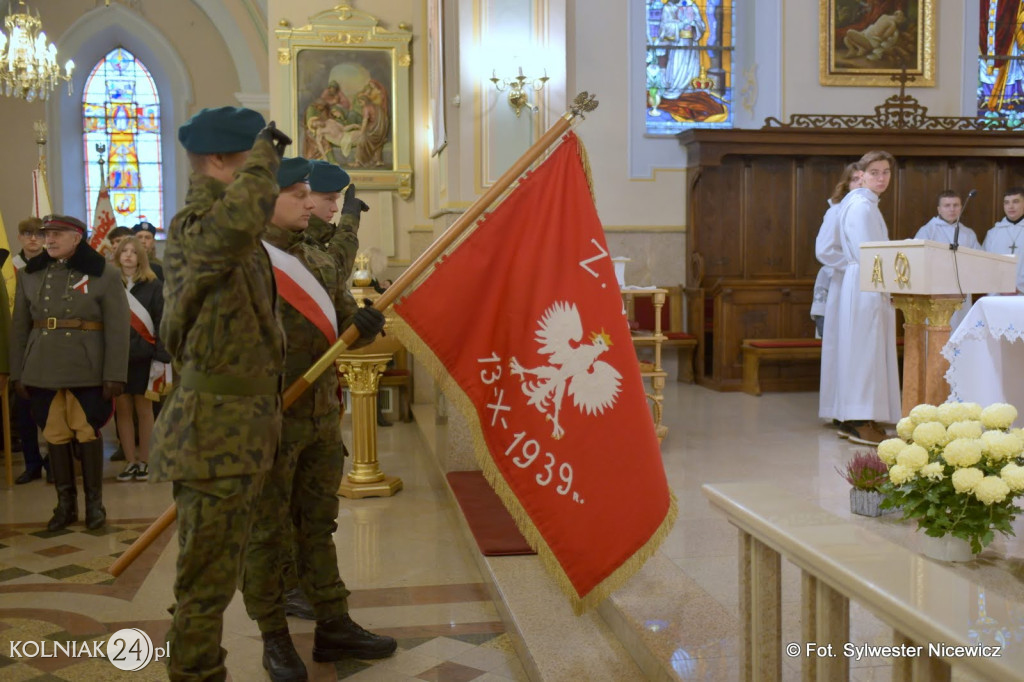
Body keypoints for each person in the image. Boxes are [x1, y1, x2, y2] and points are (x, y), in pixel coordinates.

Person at [148, 106, 290, 681]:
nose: (265, 177)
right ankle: (195, 672)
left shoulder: (234, 238)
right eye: (251, 163)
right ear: (219, 162)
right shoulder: (194, 229)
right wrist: (267, 154)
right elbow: (238, 222)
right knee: (204, 586)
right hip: (211, 440)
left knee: (217, 577)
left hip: (245, 435)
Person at [240, 158, 391, 681]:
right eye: (298, 194)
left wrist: (365, 325)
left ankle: (332, 623)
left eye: (311, 194)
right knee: (267, 534)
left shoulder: (317, 261)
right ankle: (274, 637)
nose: (311, 204)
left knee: (317, 528)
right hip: (266, 425)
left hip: (320, 420)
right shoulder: (239, 262)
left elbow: (344, 319)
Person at [9, 214, 129, 530]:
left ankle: (94, 506)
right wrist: (17, 371)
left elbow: (117, 329)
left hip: (86, 366)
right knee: (54, 433)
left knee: (86, 430)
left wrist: (115, 372)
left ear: (76, 237)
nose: (48, 239)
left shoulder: (105, 274)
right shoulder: (29, 275)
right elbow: (19, 327)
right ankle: (65, 507)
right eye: (45, 234)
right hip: (42, 366)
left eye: (56, 234)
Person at [826, 151, 901, 445]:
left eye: (886, 172)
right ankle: (858, 420)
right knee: (863, 351)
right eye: (875, 173)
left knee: (864, 350)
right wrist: (889, 288)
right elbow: (869, 253)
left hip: (866, 281)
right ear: (862, 174)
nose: (881, 178)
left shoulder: (865, 204)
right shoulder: (861, 207)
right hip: (867, 284)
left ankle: (858, 419)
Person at [111, 237, 168, 482]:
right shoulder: (110, 285)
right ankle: (130, 461)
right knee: (122, 410)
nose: (128, 255)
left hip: (145, 357)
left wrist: (161, 357)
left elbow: (161, 322)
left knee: (144, 410)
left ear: (141, 258)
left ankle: (145, 459)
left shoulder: (154, 286)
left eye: (134, 252)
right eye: (124, 251)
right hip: (117, 358)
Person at [816, 163, 863, 427]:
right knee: (839, 347)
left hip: (859, 286)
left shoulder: (863, 211)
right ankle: (836, 408)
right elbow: (824, 250)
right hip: (843, 284)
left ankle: (849, 407)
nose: (859, 184)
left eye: (861, 179)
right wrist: (854, 267)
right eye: (854, 179)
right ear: (846, 184)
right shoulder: (836, 211)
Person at [11, 217, 49, 484]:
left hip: (46, 343)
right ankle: (32, 462)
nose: (33, 238)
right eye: (27, 234)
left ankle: (54, 462)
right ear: (20, 237)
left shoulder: (53, 264)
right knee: (24, 412)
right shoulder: (9, 267)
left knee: (49, 413)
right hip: (20, 341)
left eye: (38, 234)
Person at [915, 190, 981, 329]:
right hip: (936, 291)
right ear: (939, 209)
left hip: (961, 290)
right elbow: (918, 259)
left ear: (961, 207)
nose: (952, 209)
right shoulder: (928, 230)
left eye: (956, 205)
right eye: (947, 205)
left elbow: (979, 260)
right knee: (936, 331)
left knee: (960, 328)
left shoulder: (967, 233)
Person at [658, 0, 705, 99]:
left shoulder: (692, 5)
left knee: (691, 67)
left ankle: (690, 90)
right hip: (677, 44)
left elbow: (701, 25)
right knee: (677, 68)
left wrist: (693, 24)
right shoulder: (668, 7)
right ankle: (676, 88)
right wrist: (680, 25)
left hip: (692, 44)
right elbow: (664, 27)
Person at [982, 186, 1024, 294]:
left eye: (1015, 202)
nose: (1010, 206)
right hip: (997, 293)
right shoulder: (993, 233)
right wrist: (1000, 287)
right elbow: (984, 264)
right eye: (1006, 202)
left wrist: (1020, 287)